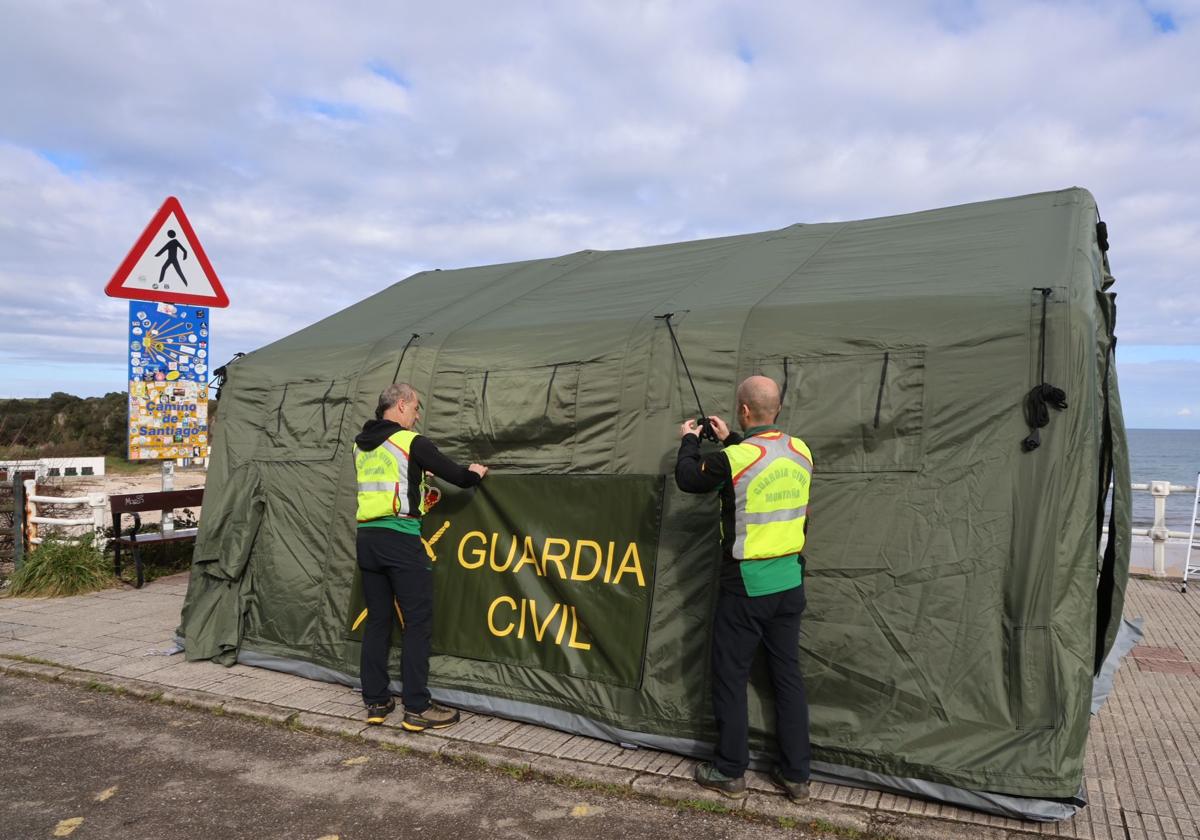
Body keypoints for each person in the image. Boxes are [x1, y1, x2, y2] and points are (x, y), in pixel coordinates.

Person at [674, 375, 813, 801]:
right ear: (778, 410)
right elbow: (759, 459)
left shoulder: (733, 459)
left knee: (731, 678)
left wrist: (690, 440)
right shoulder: (801, 450)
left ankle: (730, 771)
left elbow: (688, 477)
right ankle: (796, 777)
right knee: (787, 678)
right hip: (789, 582)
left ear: (745, 410)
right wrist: (730, 437)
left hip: (746, 587)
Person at [354, 382, 488, 729]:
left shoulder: (361, 445)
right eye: (415, 408)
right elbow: (457, 476)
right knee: (417, 623)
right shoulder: (411, 442)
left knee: (378, 621)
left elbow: (391, 478)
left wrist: (416, 474)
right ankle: (416, 707)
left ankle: (376, 702)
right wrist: (475, 474)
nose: (416, 415)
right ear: (400, 405)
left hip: (368, 538)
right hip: (400, 539)